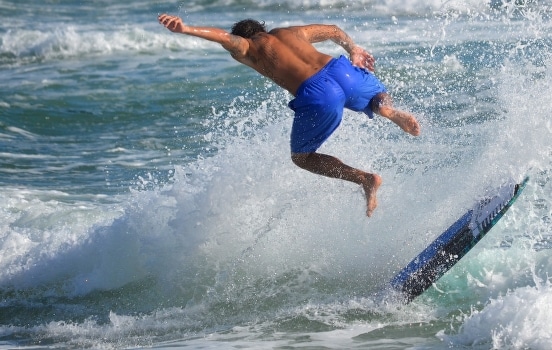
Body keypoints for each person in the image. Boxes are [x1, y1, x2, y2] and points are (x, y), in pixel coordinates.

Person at [158, 14, 420, 217]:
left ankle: (364, 178)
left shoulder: (248, 48)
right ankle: (386, 110)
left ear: (246, 37)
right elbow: (332, 30)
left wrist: (186, 29)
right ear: (262, 27)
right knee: (379, 95)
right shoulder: (290, 32)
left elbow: (223, 38)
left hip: (317, 93)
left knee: (302, 157)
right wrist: (353, 48)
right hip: (341, 70)